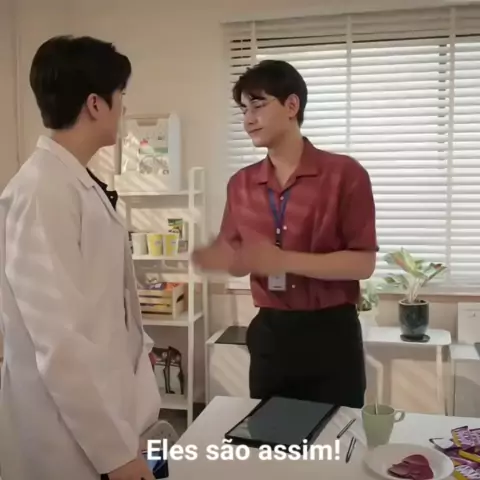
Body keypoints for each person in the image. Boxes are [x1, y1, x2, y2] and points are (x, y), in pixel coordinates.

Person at [0, 36, 161, 480]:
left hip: (105, 413)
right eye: (120, 95)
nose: (124, 107)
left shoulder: (73, 183)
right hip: (66, 438)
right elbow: (59, 341)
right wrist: (117, 456)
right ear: (95, 104)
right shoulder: (41, 191)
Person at [193, 60, 378, 408]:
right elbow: (234, 259)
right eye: (244, 110)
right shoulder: (241, 184)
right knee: (269, 434)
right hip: (270, 335)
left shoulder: (345, 174)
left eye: (258, 106)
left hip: (331, 336)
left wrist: (283, 260)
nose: (248, 119)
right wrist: (222, 258)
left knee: (336, 436)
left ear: (292, 105)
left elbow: (363, 264)